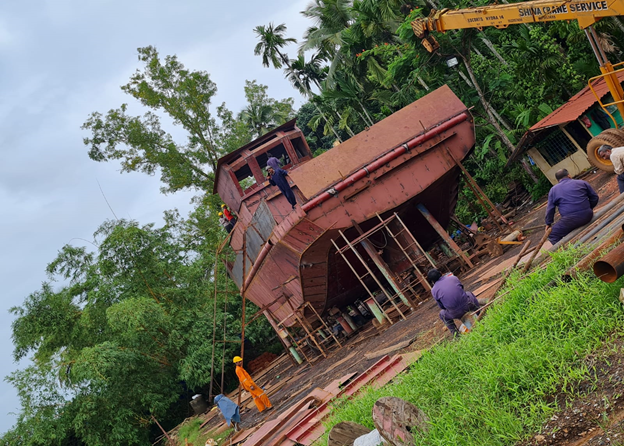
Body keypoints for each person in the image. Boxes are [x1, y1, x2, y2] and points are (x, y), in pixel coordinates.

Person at [545, 168, 599, 244]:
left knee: (552, 235)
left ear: (558, 181)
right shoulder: (582, 182)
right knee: (566, 225)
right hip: (588, 215)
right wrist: (588, 208)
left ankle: (568, 253)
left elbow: (550, 209)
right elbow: (594, 197)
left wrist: (548, 223)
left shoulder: (553, 190)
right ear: (569, 176)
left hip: (570, 220)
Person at [427, 269, 484, 338]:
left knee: (442, 314)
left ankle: (456, 335)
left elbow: (442, 306)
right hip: (469, 304)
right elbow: (462, 289)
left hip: (455, 313)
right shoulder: (453, 278)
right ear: (441, 272)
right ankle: (481, 314)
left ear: (431, 281)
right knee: (469, 293)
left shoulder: (434, 290)